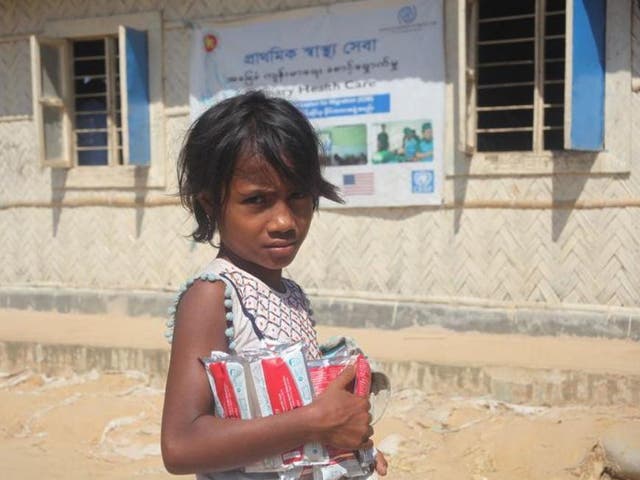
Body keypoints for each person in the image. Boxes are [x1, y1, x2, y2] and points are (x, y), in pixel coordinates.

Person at [161, 90, 388, 480]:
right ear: (213, 204)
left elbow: (295, 408)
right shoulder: (214, 295)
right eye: (257, 200)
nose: (284, 220)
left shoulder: (292, 295)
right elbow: (180, 445)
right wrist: (313, 422)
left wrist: (348, 445)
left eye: (298, 195)